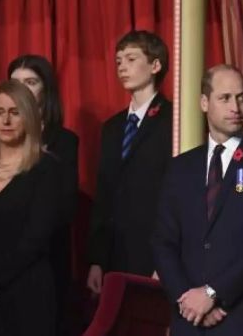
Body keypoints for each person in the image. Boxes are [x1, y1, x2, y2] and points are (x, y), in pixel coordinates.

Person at [151, 65, 243, 335]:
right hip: (191, 319)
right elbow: (163, 241)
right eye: (225, 98)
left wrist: (213, 293)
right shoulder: (180, 168)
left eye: (242, 98)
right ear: (204, 102)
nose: (236, 107)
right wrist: (187, 298)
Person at [87, 31, 173, 293]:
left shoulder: (173, 119)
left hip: (154, 251)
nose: (122, 66)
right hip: (115, 254)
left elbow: (177, 196)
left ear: (155, 65)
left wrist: (168, 260)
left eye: (131, 58)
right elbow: (104, 194)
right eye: (118, 61)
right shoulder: (112, 127)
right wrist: (96, 260)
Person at [7, 54, 79, 331]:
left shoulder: (63, 141)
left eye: (31, 82)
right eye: (16, 82)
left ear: (45, 89)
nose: (22, 89)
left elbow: (65, 207)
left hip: (45, 264)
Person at [0, 80, 62, 336]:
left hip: (26, 293)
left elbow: (36, 238)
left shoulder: (46, 169)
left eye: (14, 112)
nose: (6, 121)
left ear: (30, 117)